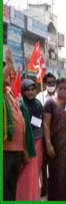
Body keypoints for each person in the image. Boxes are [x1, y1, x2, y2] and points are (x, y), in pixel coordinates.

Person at [3, 49, 26, 201]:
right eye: (8, 74)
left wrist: (23, 149)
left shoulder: (9, 94)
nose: (10, 77)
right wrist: (10, 61)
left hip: (17, 150)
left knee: (11, 187)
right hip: (5, 150)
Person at [16, 79, 44, 201]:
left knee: (35, 173)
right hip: (27, 144)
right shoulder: (20, 105)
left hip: (39, 142)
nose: (30, 92)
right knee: (26, 173)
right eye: (27, 90)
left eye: (33, 89)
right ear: (23, 91)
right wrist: (24, 148)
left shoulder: (38, 104)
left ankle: (33, 197)